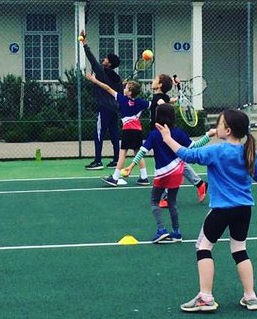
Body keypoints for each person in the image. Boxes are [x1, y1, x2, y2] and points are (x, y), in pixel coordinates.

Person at [156, 108, 257, 312]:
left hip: (221, 210)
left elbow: (187, 154)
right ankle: (251, 297)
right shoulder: (248, 151)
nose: (217, 127)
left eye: (219, 124)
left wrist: (168, 138)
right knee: (240, 250)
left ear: (228, 130)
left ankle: (205, 297)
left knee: (203, 248)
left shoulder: (216, 151)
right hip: (244, 210)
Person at [122, 103, 192, 242]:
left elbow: (142, 151)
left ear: (157, 117)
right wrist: (208, 136)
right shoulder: (179, 133)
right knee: (172, 201)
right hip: (178, 172)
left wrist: (130, 166)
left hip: (162, 173)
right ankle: (177, 232)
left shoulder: (154, 134)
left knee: (154, 201)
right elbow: (194, 146)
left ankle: (161, 230)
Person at [85, 70, 150, 186]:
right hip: (138, 131)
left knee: (122, 154)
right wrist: (172, 100)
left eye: (126, 88)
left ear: (129, 93)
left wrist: (94, 80)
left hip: (128, 130)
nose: (124, 88)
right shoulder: (141, 102)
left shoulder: (122, 99)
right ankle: (144, 177)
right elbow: (155, 103)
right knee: (137, 153)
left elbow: (108, 88)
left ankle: (115, 178)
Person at [151, 73, 206, 204]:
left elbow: (164, 104)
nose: (153, 81)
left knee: (164, 162)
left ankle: (165, 196)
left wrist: (165, 104)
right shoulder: (162, 96)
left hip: (163, 133)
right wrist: (178, 85)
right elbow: (171, 100)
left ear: (159, 85)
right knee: (177, 161)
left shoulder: (159, 98)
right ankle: (199, 184)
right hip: (161, 133)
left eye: (155, 80)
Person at [79, 31, 122, 170]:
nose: (103, 59)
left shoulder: (102, 71)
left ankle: (98, 161)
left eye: (106, 59)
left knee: (98, 134)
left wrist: (84, 44)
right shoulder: (118, 78)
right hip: (115, 109)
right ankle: (116, 160)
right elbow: (119, 94)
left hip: (104, 108)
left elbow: (91, 59)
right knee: (115, 134)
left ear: (109, 63)